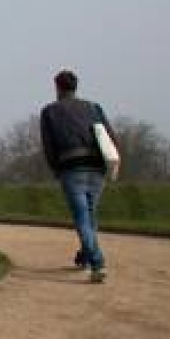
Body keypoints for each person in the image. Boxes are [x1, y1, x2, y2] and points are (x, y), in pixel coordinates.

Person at [40, 69, 116, 283]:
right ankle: (84, 255)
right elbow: (109, 136)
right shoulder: (94, 107)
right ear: (75, 86)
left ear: (57, 87)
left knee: (82, 217)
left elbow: (49, 146)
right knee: (90, 215)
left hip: (71, 167)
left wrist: (56, 169)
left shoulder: (50, 112)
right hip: (97, 167)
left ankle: (98, 263)